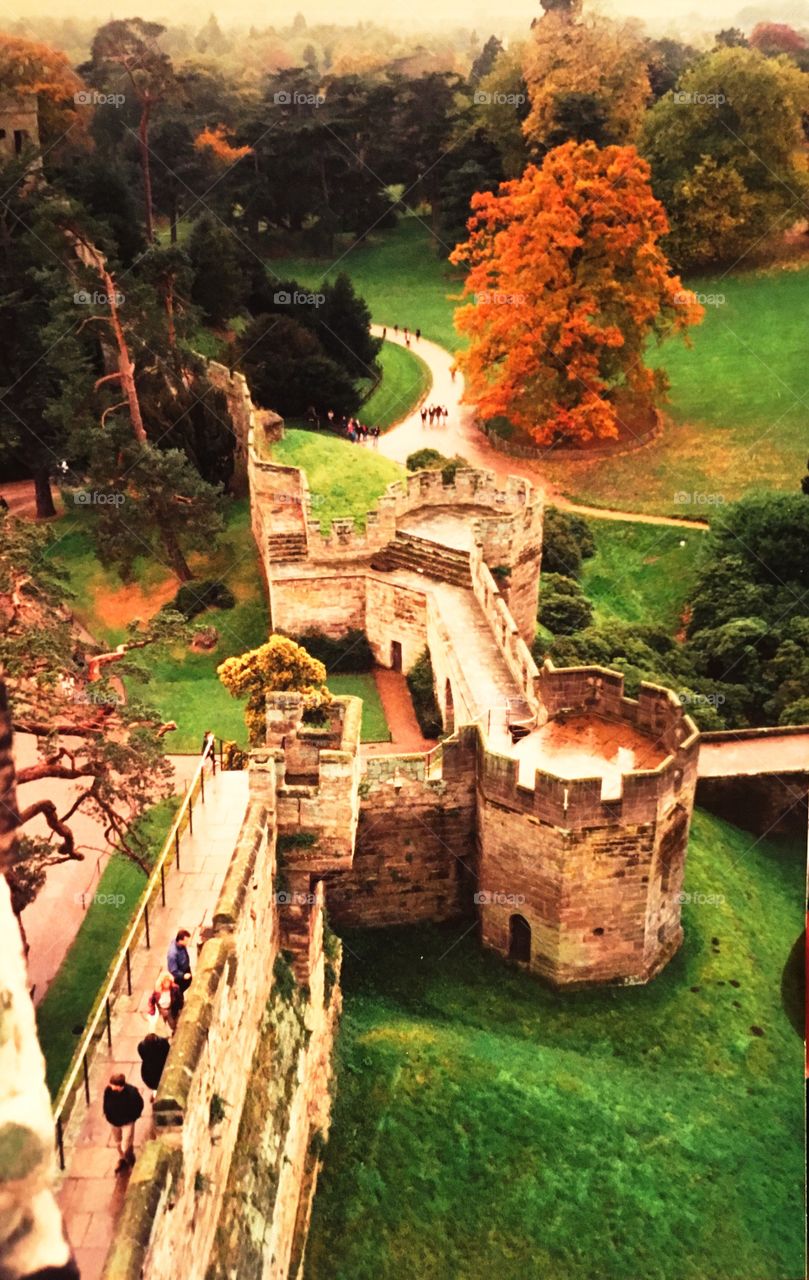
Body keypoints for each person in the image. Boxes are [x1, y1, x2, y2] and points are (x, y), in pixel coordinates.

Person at [103, 1073, 144, 1173]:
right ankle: (123, 1159)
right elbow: (105, 1102)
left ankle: (131, 1161)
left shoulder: (132, 1093)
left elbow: (139, 1105)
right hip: (114, 1122)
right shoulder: (108, 1090)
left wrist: (132, 1118)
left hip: (127, 1123)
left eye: (112, 1085)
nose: (110, 1086)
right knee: (118, 1143)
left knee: (126, 1145)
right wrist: (107, 1113)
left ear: (119, 1086)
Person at [137, 1033, 170, 1101]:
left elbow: (142, 1055)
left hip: (149, 1071)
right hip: (161, 1067)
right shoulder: (163, 1043)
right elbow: (168, 1053)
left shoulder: (141, 1047)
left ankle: (155, 1095)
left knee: (155, 1085)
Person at [167, 929, 192, 993]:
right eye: (186, 941)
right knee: (179, 991)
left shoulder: (181, 945)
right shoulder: (172, 954)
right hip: (179, 976)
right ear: (180, 940)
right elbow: (173, 970)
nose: (188, 942)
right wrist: (183, 976)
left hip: (185, 968)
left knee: (189, 982)